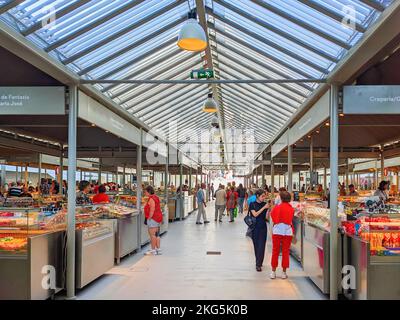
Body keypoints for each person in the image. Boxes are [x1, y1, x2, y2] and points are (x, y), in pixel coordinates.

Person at [270, 191, 294, 279]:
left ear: (281, 198)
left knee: (275, 251)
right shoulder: (291, 208)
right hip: (288, 232)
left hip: (277, 231)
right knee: (285, 252)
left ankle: (273, 272)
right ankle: (284, 273)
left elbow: (272, 215)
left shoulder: (277, 207)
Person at [249, 189, 271, 272]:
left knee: (262, 245)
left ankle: (258, 264)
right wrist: (264, 208)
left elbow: (266, 217)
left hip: (262, 227)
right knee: (256, 245)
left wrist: (268, 210)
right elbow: (255, 214)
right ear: (257, 196)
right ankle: (258, 261)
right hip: (254, 227)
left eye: (264, 196)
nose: (264, 198)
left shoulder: (265, 204)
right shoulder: (252, 204)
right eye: (262, 196)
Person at [143, 185, 163, 255]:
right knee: (157, 235)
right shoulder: (156, 197)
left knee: (152, 235)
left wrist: (149, 217)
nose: (144, 193)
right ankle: (158, 249)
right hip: (158, 218)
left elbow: (152, 209)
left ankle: (153, 250)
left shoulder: (151, 199)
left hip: (153, 218)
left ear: (149, 191)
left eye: (145, 192)